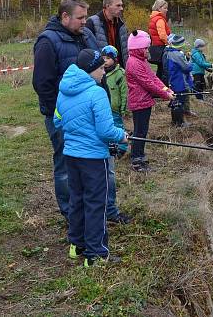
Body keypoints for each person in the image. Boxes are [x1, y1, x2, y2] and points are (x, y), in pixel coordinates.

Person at [54, 49, 127, 266]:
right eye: (101, 69)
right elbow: (106, 131)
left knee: (77, 199)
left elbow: (58, 121)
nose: (103, 73)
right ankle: (96, 255)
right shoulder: (96, 93)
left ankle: (77, 245)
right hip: (94, 158)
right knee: (96, 203)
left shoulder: (63, 90)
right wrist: (122, 136)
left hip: (71, 156)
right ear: (90, 70)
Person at [32, 0, 98, 220]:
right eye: (80, 18)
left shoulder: (86, 35)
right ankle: (71, 213)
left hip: (88, 113)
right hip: (61, 118)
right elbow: (42, 84)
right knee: (65, 164)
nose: (85, 22)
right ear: (65, 17)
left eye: (86, 17)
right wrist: (61, 113)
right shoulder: (47, 42)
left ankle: (89, 208)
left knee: (88, 162)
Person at [125, 30, 173, 172]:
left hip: (144, 101)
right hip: (139, 103)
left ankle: (140, 155)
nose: (148, 50)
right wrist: (166, 96)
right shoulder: (133, 63)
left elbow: (153, 78)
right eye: (146, 48)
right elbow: (148, 83)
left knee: (143, 131)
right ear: (138, 49)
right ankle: (136, 160)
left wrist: (166, 90)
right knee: (139, 132)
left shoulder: (141, 61)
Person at [100, 45, 131, 225]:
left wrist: (123, 108)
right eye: (103, 58)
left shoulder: (119, 74)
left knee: (118, 131)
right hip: (106, 112)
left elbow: (124, 92)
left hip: (115, 110)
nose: (105, 61)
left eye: (108, 58)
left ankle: (121, 149)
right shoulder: (100, 75)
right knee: (111, 131)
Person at [86, 0, 129, 66]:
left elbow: (124, 51)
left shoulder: (121, 24)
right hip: (101, 69)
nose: (121, 8)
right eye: (118, 5)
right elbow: (88, 50)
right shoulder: (92, 22)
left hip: (118, 69)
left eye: (121, 5)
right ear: (107, 6)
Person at [163, 34, 196, 127]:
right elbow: (187, 68)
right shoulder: (177, 54)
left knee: (175, 102)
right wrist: (190, 61)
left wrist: (186, 58)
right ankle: (180, 123)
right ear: (179, 45)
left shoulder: (169, 52)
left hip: (173, 81)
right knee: (179, 102)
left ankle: (175, 122)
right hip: (179, 82)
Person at [148, 0, 171, 82]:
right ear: (159, 8)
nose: (167, 10)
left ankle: (158, 88)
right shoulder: (159, 19)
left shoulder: (153, 18)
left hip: (155, 46)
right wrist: (170, 44)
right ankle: (163, 88)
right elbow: (162, 35)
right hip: (160, 48)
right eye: (165, 8)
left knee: (160, 69)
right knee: (164, 70)